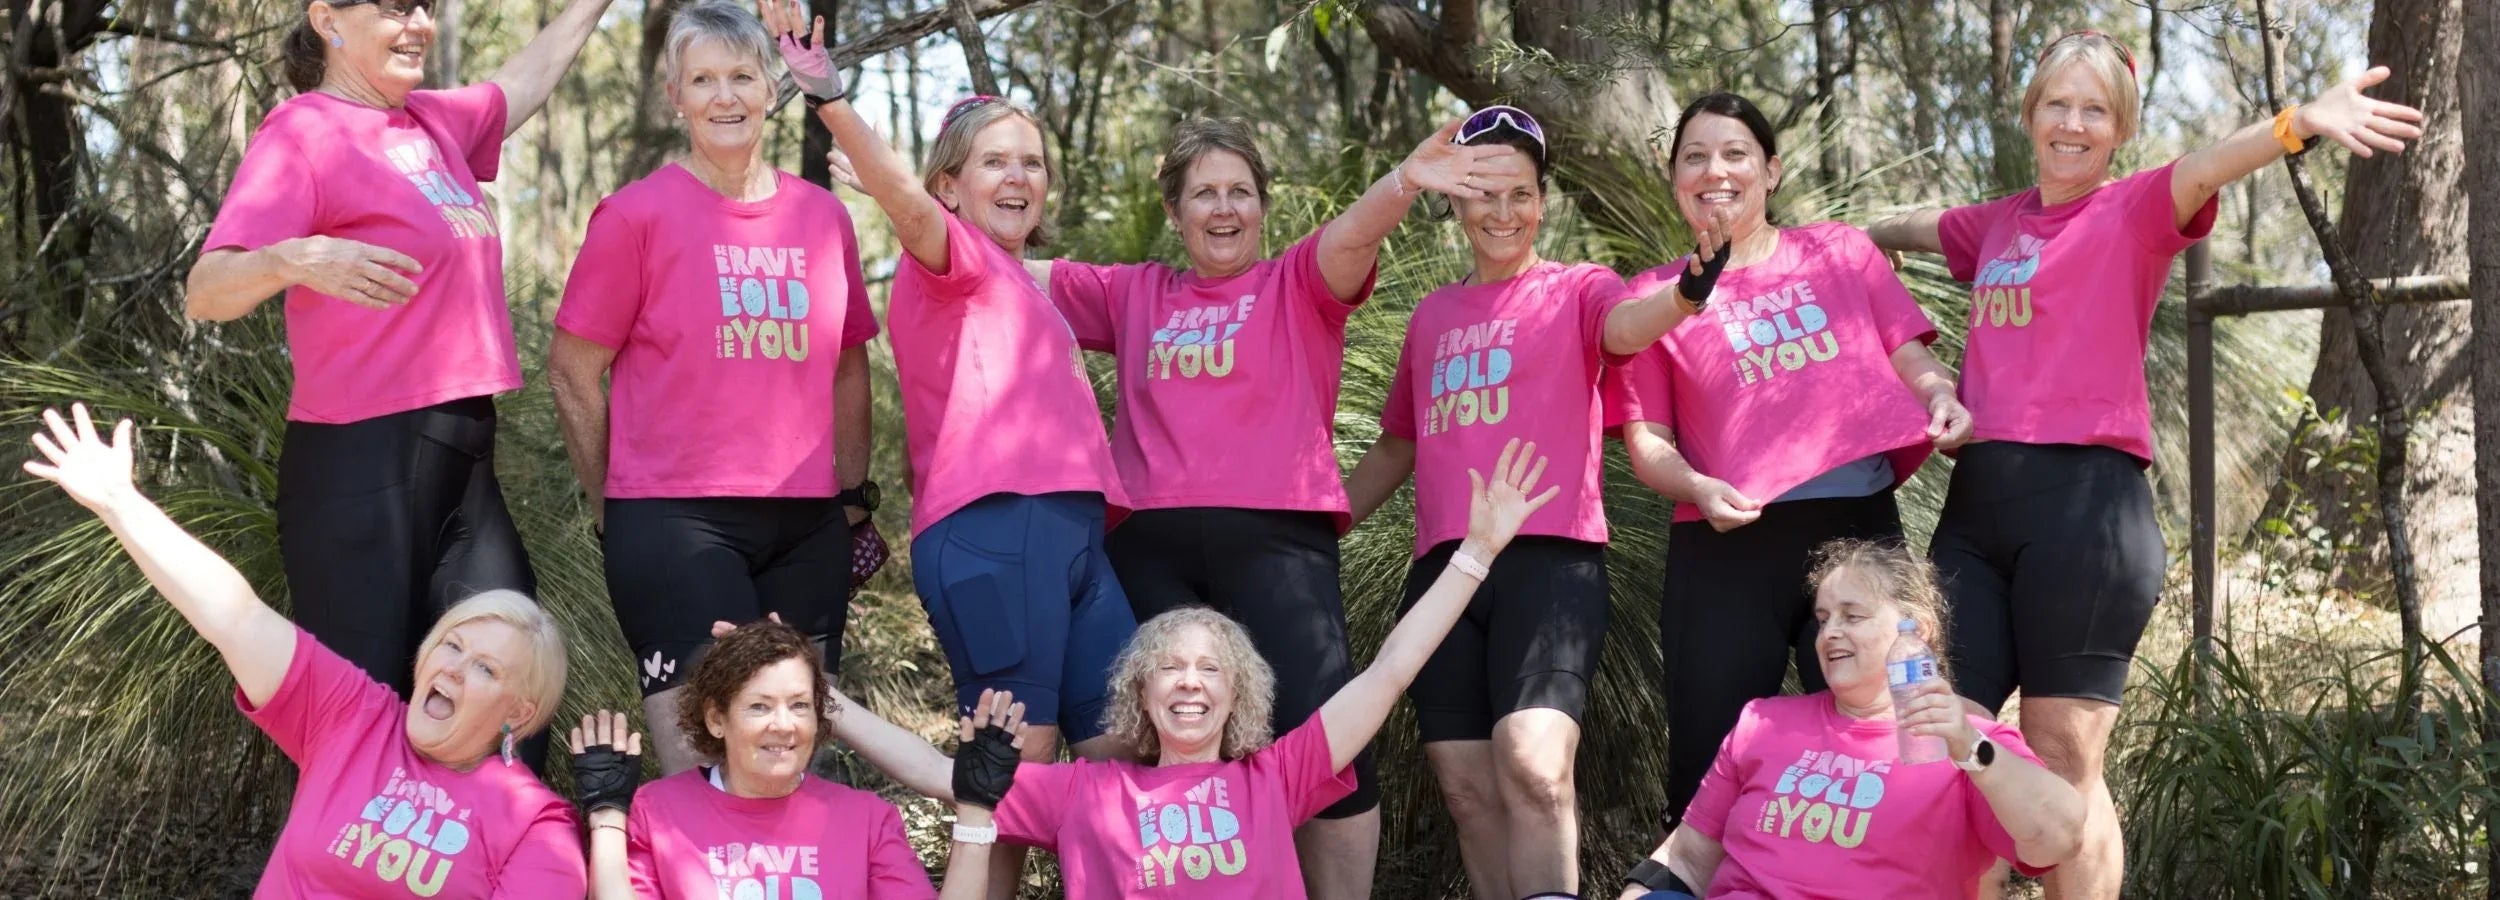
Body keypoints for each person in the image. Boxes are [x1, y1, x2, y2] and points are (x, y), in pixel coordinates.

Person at [1865, 31, 2425, 899]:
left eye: (2095, 110)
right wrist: (1865, 242)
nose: (2073, 124)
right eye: (2059, 104)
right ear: (2031, 114)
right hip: (1976, 513)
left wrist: (2298, 124)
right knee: (1942, 737)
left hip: (2087, 514)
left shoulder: (2131, 208)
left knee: (2060, 761)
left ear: (2118, 129)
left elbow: (2206, 166)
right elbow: (1924, 227)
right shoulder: (2000, 222)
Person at [1025, 114, 1520, 898]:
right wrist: (919, 194)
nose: (1223, 209)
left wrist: (1402, 181)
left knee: (1327, 743)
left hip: (1278, 544)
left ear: (1262, 205)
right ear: (1176, 211)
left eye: (1240, 192)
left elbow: (1350, 237)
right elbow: (995, 263)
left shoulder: (1295, 283)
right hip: (1148, 547)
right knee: (1152, 738)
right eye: (1203, 194)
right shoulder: (1132, 293)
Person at [800, 438, 1564, 899]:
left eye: (1209, 668)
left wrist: (1477, 552)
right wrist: (821, 701)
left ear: (1238, 695)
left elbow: (1391, 671)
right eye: (1170, 667)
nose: (1190, 680)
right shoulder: (1084, 793)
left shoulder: (1277, 777)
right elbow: (943, 776)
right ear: (1141, 690)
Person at [761, 0, 1137, 891]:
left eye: (1032, 163)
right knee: (1013, 764)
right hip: (993, 532)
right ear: (950, 185)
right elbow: (899, 197)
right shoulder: (951, 257)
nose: (1019, 177)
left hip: (1077, 537)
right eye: (995, 162)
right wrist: (830, 99)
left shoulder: (1025, 278)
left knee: (1124, 744)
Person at [181, 0, 616, 770]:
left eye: (424, 7)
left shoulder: (434, 124)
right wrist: (293, 259)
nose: (416, 22)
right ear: (328, 19)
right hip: (358, 469)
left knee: (513, 688)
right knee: (363, 718)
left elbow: (525, 77)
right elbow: (206, 290)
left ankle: (503, 875)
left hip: (464, 456)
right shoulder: (304, 132)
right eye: (392, 7)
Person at [1340, 105, 1713, 900]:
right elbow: (1398, 447)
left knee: (1536, 767)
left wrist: (1682, 295)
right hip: (1444, 572)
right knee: (1468, 790)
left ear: (1542, 199)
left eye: (1519, 194)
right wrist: (1318, 523)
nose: (1502, 214)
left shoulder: (1578, 289)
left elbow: (1622, 328)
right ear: (1456, 201)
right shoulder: (1433, 317)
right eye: (1483, 195)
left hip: (1551, 560)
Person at [22, 403, 583, 896]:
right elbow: (236, 616)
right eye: (451, 645)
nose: (453, 669)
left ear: (519, 712)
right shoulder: (356, 717)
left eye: (484, 667)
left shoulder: (536, 826)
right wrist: (122, 505)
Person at [1608, 91, 1970, 838]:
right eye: (1695, 157)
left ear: (1770, 171)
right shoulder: (1652, 298)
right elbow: (1649, 445)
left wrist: (1942, 397)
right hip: (1724, 545)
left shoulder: (1839, 250)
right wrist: (1700, 486)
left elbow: (1909, 355)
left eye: (1736, 153)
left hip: (1859, 537)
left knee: (1908, 736)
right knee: (1707, 767)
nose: (1716, 171)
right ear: (1673, 177)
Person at [548, 0, 878, 775]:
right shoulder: (634, 218)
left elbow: (848, 362)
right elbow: (573, 370)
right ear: (676, 96)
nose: (725, 97)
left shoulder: (824, 219)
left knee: (797, 762)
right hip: (673, 524)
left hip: (807, 526)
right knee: (703, 769)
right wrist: (611, 506)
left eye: (741, 76)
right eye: (703, 80)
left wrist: (854, 497)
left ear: (772, 88)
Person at [1614, 539, 2085, 899]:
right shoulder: (1763, 722)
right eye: (1822, 618)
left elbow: (2056, 841)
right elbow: (1689, 859)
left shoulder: (1973, 743)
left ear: (1916, 629)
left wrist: (1972, 750)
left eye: (1852, 615)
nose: (1830, 632)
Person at [566, 620, 1023, 899]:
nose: (784, 725)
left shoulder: (866, 819)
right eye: (759, 706)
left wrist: (976, 809)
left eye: (800, 705)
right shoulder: (659, 810)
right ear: (717, 718)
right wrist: (607, 818)